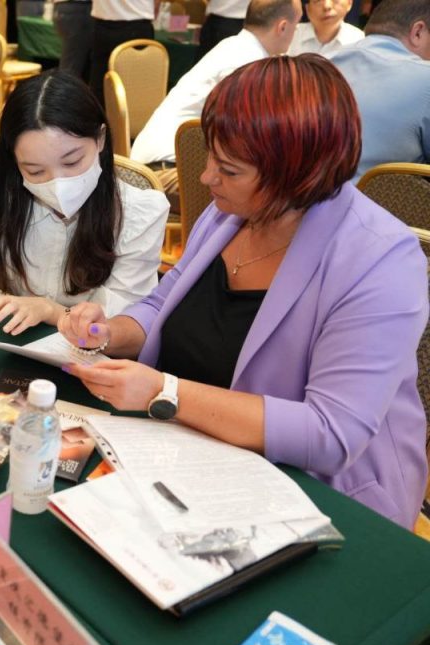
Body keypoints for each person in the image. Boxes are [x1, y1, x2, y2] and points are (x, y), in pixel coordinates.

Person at [60, 55, 429, 529]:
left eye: (230, 170)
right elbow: (163, 304)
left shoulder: (379, 259)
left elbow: (331, 433)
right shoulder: (229, 214)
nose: (205, 177)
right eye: (212, 157)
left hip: (322, 501)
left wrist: (165, 392)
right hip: (198, 458)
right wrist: (110, 332)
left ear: (298, 176)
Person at [0, 71, 169, 331]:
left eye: (72, 162)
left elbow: (127, 328)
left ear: (101, 139)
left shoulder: (139, 214)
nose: (58, 184)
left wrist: (52, 312)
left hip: (90, 356)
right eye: (35, 171)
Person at [131, 0, 301, 167]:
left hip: (168, 160)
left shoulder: (238, 46)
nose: (296, 31)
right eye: (297, 25)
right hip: (166, 167)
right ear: (283, 27)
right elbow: (245, 133)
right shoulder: (246, 60)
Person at [331, 0, 430, 180]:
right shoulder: (426, 78)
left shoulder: (321, 62)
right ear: (418, 32)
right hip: (376, 197)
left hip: (298, 193)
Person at [88, 0, 155, 106]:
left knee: (100, 83)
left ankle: (98, 116)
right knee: (136, 87)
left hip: (103, 24)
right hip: (136, 24)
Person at [287, 0, 363, 56]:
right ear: (307, 9)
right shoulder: (290, 35)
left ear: (349, 3)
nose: (327, 6)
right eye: (318, 0)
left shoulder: (359, 41)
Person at [53, 0, 95, 82]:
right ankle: (64, 89)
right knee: (71, 69)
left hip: (72, 8)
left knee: (75, 65)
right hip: (78, 7)